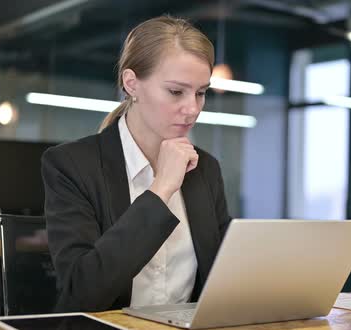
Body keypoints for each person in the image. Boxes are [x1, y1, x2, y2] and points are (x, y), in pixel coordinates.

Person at [41, 15, 232, 313]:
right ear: (132, 84)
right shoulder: (72, 165)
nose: (192, 108)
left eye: (201, 93)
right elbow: (80, 292)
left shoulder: (206, 169)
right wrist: (161, 190)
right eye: (176, 91)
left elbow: (224, 279)